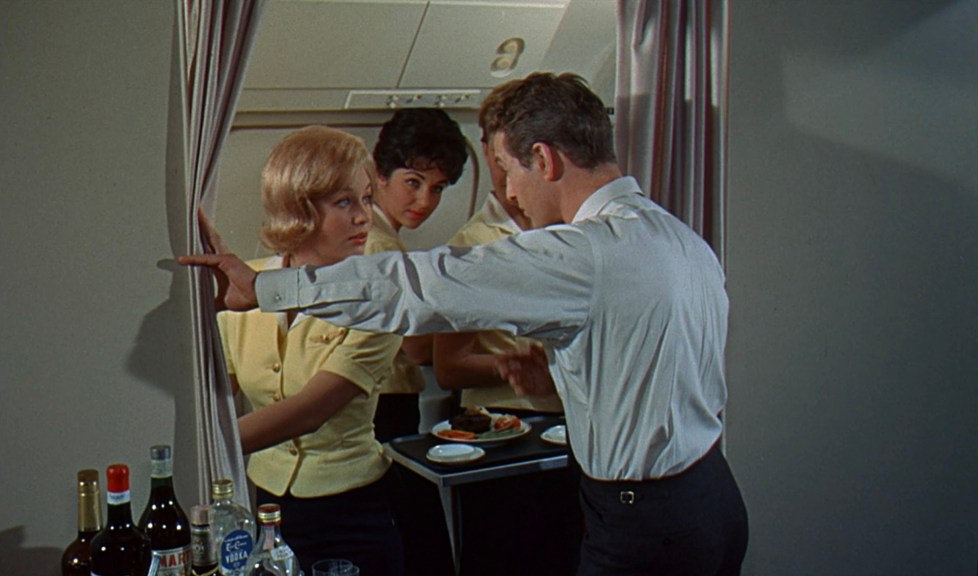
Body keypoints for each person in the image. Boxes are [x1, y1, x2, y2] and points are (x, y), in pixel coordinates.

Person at [182, 72, 749, 576]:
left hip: (643, 521)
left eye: (507, 169)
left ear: (544, 161)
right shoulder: (678, 237)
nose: (511, 192)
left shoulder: (583, 252)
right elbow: (655, 372)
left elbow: (424, 284)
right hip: (711, 496)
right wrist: (559, 377)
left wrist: (266, 289)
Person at [213, 126, 404, 576]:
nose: (364, 217)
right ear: (298, 208)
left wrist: (208, 445)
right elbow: (219, 394)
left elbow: (310, 410)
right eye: (345, 202)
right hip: (266, 506)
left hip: (354, 510)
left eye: (366, 199)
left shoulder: (377, 296)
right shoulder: (243, 288)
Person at [431, 104, 580, 576]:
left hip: (572, 423)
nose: (510, 177)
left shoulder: (572, 229)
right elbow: (449, 367)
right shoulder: (472, 243)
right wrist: (516, 364)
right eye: (500, 159)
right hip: (501, 430)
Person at [368, 107, 469, 441]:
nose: (424, 201)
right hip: (385, 402)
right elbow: (416, 349)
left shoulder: (372, 236)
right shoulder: (382, 248)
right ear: (380, 173)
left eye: (437, 188)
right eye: (413, 182)